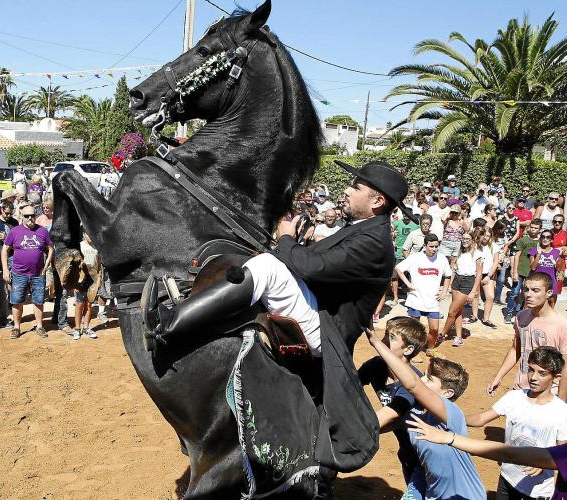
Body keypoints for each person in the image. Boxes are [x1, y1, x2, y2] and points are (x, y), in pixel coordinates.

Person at [142, 160, 413, 472]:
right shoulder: (365, 230)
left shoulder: (374, 241)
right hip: (319, 314)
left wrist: (285, 238)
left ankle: (168, 325)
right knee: (266, 259)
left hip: (326, 332)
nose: (348, 191)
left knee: (270, 268)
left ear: (378, 201)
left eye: (356, 187)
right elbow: (314, 263)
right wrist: (292, 243)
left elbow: (311, 268)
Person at [363, 326, 486, 500]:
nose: (421, 379)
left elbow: (413, 385)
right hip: (425, 482)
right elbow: (386, 424)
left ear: (447, 393)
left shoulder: (450, 413)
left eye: (428, 379)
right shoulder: (415, 412)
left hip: (462, 494)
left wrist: (376, 342)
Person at [409, 393, 567, 500]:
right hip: (509, 478)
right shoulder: (515, 397)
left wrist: (449, 437)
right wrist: (454, 420)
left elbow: (508, 454)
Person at [466, 346, 567, 500]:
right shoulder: (513, 397)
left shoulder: (563, 412)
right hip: (507, 476)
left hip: (537, 490)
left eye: (542, 373)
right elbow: (480, 419)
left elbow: (564, 453)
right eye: (531, 370)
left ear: (557, 377)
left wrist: (544, 462)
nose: (533, 377)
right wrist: (450, 416)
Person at [357, 317, 427, 496]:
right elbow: (348, 386)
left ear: (409, 350)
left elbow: (384, 420)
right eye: (386, 335)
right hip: (408, 453)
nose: (384, 341)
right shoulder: (376, 366)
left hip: (427, 461)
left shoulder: (412, 384)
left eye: (392, 338)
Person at [488, 271, 567, 402]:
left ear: (548, 293)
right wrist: (498, 377)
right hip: (521, 387)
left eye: (535, 290)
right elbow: (515, 349)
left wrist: (561, 402)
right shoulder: (521, 316)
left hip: (548, 392)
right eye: (526, 290)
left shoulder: (563, 325)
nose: (529, 295)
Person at [1, 204, 53, 340]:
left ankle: (40, 326)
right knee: (17, 301)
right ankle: (16, 327)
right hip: (19, 273)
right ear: (21, 217)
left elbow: (50, 248)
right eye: (26, 216)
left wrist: (46, 265)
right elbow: (5, 250)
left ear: (36, 216)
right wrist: (6, 269)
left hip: (37, 274)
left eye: (32, 215)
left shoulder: (42, 231)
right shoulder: (14, 231)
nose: (30, 218)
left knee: (39, 301)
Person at [397, 233, 452, 351]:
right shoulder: (415, 257)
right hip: (416, 299)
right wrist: (408, 284)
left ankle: (430, 350)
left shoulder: (442, 259)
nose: (434, 249)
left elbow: (448, 275)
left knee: (434, 329)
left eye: (436, 246)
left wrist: (444, 292)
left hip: (432, 301)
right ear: (425, 245)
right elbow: (399, 269)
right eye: (431, 246)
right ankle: (413, 351)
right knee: (414, 329)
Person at [440, 228, 483, 347]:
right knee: (458, 311)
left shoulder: (478, 254)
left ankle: (442, 333)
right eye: (463, 238)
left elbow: (479, 274)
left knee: (451, 312)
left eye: (467, 239)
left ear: (473, 240)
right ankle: (458, 337)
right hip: (457, 281)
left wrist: (473, 291)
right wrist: (450, 284)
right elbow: (454, 270)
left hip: (468, 282)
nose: (464, 241)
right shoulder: (459, 252)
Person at [506, 219, 542, 324]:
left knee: (527, 294)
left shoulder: (540, 242)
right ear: (529, 227)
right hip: (521, 270)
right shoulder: (523, 240)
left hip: (533, 273)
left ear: (539, 230)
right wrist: (515, 271)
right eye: (532, 227)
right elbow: (517, 256)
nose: (533, 230)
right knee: (515, 292)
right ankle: (509, 313)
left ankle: (523, 313)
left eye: (536, 228)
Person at [529, 229, 562, 295]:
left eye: (548, 237)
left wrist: (559, 258)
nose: (545, 239)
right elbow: (533, 268)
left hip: (551, 282)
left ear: (551, 240)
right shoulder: (533, 250)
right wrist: (538, 254)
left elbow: (559, 268)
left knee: (550, 304)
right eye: (543, 237)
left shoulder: (556, 252)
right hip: (537, 282)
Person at [550, 214, 567, 295]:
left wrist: (555, 251)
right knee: (546, 288)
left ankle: (551, 307)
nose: (557, 223)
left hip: (560, 267)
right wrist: (560, 249)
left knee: (556, 291)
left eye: (560, 222)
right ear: (552, 222)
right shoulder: (548, 234)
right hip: (547, 264)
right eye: (555, 221)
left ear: (563, 223)